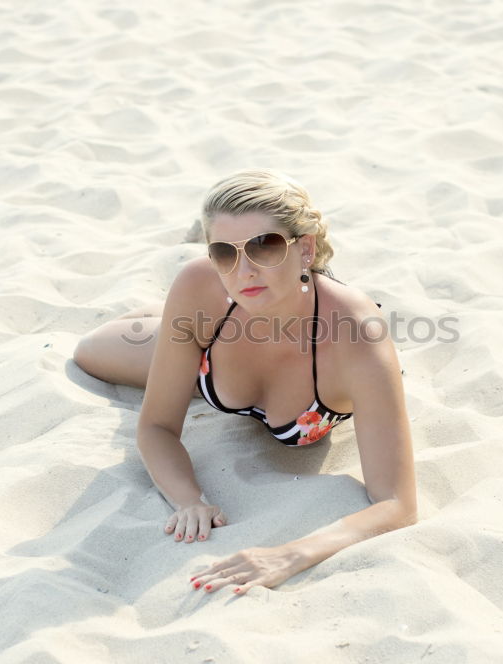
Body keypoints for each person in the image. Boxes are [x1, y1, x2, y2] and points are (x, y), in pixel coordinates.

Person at [73, 169, 417, 595]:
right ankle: (174, 330)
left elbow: (396, 505)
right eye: (224, 253)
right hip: (212, 338)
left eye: (265, 247)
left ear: (305, 249)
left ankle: (178, 335)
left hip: (290, 341)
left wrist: (288, 554)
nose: (244, 270)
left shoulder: (357, 336)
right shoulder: (201, 283)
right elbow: (156, 427)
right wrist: (189, 500)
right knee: (89, 350)